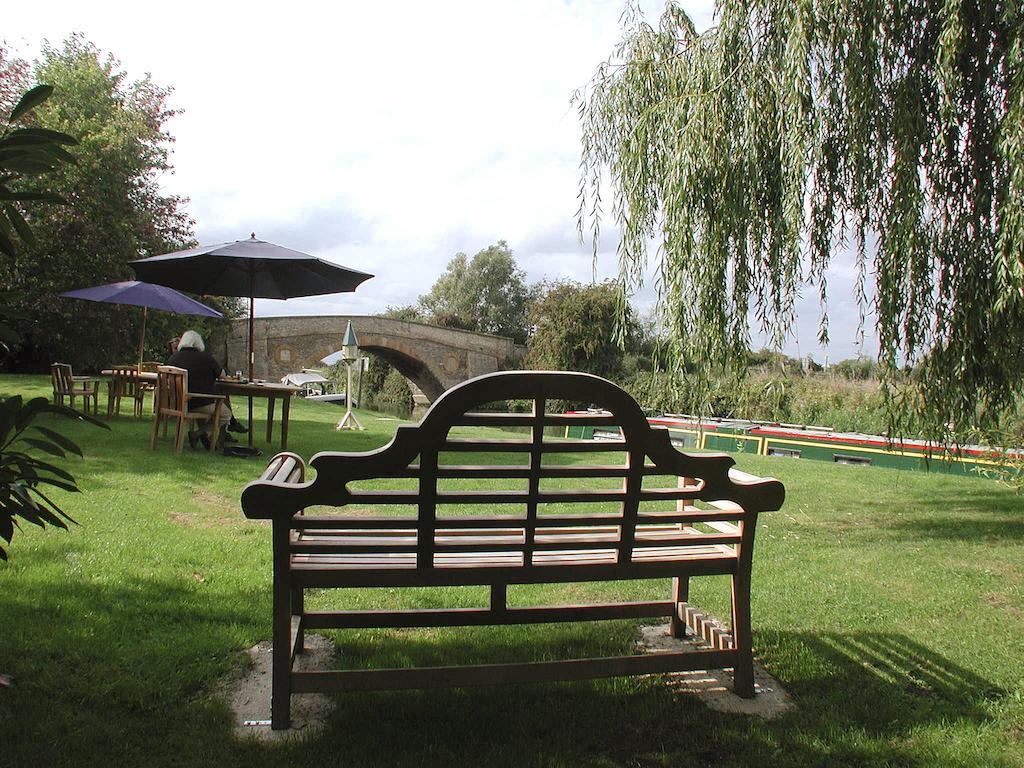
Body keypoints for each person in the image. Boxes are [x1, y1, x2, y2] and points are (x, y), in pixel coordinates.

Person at [166, 330, 246, 449]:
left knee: (212, 405)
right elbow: (222, 375)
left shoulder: (173, 358)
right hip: (196, 402)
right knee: (225, 413)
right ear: (198, 343)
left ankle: (204, 436)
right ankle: (199, 434)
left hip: (175, 403)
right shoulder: (205, 358)